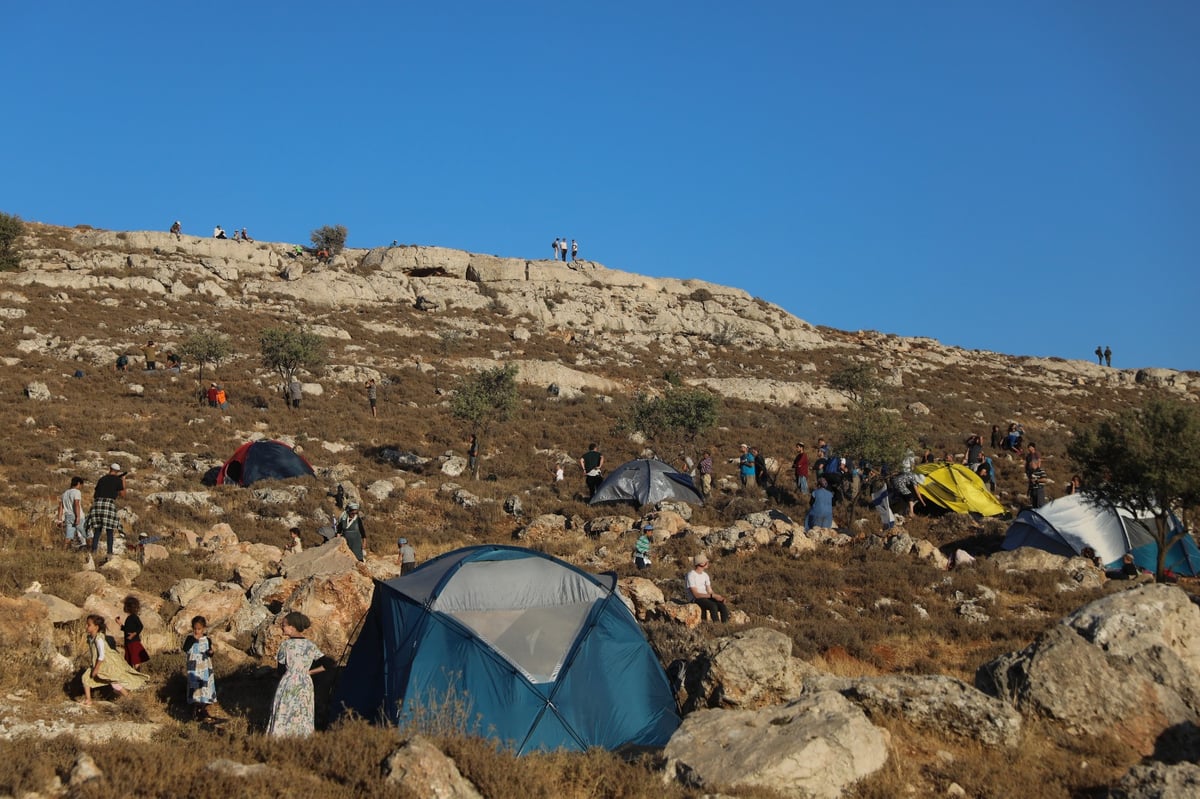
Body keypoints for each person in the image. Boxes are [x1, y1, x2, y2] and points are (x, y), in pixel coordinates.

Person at [267, 612, 326, 738]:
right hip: (305, 684)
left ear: (292, 627)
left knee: (284, 711)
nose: (282, 627)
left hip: (289, 682)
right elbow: (328, 663)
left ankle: (280, 739)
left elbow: (280, 669)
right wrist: (309, 672)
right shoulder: (310, 645)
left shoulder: (286, 645)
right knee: (303, 712)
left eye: (284, 625)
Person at [81, 615, 147, 705]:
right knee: (86, 678)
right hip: (100, 664)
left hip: (107, 664)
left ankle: (129, 698)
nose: (86, 626)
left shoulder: (99, 639)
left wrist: (96, 669)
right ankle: (88, 700)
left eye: (88, 625)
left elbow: (101, 655)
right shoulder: (91, 638)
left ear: (96, 627)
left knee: (115, 683)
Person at [183, 615, 217, 721]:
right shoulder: (190, 638)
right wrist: (194, 639)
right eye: (195, 629)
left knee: (205, 688)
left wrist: (211, 652)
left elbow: (209, 652)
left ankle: (202, 710)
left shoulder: (207, 639)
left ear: (204, 628)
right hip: (194, 669)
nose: (197, 631)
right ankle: (195, 710)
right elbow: (185, 648)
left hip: (205, 668)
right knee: (194, 689)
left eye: (199, 629)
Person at [89, 464, 126, 557]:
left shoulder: (102, 479)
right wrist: (123, 480)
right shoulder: (118, 480)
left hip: (97, 503)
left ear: (110, 469)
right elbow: (123, 494)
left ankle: (94, 550)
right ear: (118, 471)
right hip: (108, 504)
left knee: (97, 529)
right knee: (110, 529)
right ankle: (109, 552)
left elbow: (95, 494)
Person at [686, 555, 729, 623]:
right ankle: (716, 625)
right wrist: (712, 596)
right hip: (695, 599)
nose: (708, 563)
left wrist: (718, 597)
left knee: (722, 605)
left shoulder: (705, 575)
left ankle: (726, 625)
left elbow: (709, 591)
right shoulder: (691, 575)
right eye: (706, 562)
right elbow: (696, 594)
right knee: (713, 606)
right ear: (701, 564)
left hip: (706, 597)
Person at [117, 595, 150, 671]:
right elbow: (127, 629)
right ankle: (133, 678)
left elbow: (140, 626)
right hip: (129, 643)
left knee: (136, 661)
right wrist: (120, 624)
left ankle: (138, 677)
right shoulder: (130, 618)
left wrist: (134, 634)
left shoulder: (134, 617)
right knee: (130, 661)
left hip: (133, 642)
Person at [57, 476, 86, 549]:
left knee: (68, 536)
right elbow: (76, 504)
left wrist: (59, 519)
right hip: (76, 516)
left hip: (68, 516)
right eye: (81, 485)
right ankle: (91, 551)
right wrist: (78, 517)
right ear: (78, 483)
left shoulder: (65, 493)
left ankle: (63, 552)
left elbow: (61, 507)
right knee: (87, 534)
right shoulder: (76, 492)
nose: (81, 487)